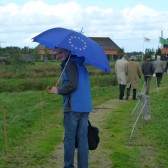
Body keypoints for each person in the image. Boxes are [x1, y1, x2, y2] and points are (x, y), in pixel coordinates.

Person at [51, 47, 92, 168]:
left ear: (69, 51)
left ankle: (68, 166)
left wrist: (58, 90)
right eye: (56, 53)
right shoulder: (81, 65)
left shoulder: (69, 65)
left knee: (69, 140)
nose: (58, 55)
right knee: (83, 140)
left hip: (73, 107)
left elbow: (72, 85)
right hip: (85, 107)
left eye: (61, 52)